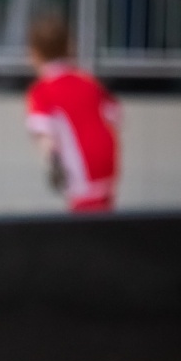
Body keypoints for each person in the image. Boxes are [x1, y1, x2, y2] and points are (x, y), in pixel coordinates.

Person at [25, 15, 121, 213]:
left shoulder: (42, 91)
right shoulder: (88, 81)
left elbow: (45, 136)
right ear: (70, 46)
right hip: (107, 157)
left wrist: (53, 164)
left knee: (84, 221)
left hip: (80, 165)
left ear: (33, 54)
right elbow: (115, 115)